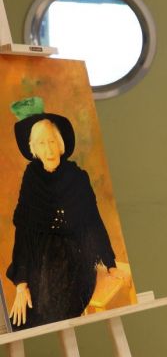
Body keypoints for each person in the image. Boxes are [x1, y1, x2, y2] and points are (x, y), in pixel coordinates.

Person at [6, 97, 118, 330]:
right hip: (39, 263)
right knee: (22, 319)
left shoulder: (77, 177)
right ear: (34, 149)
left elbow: (92, 222)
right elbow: (25, 232)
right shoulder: (31, 179)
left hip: (76, 259)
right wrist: (21, 283)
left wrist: (109, 262)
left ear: (60, 144)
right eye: (42, 144)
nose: (49, 149)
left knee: (50, 309)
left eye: (52, 142)